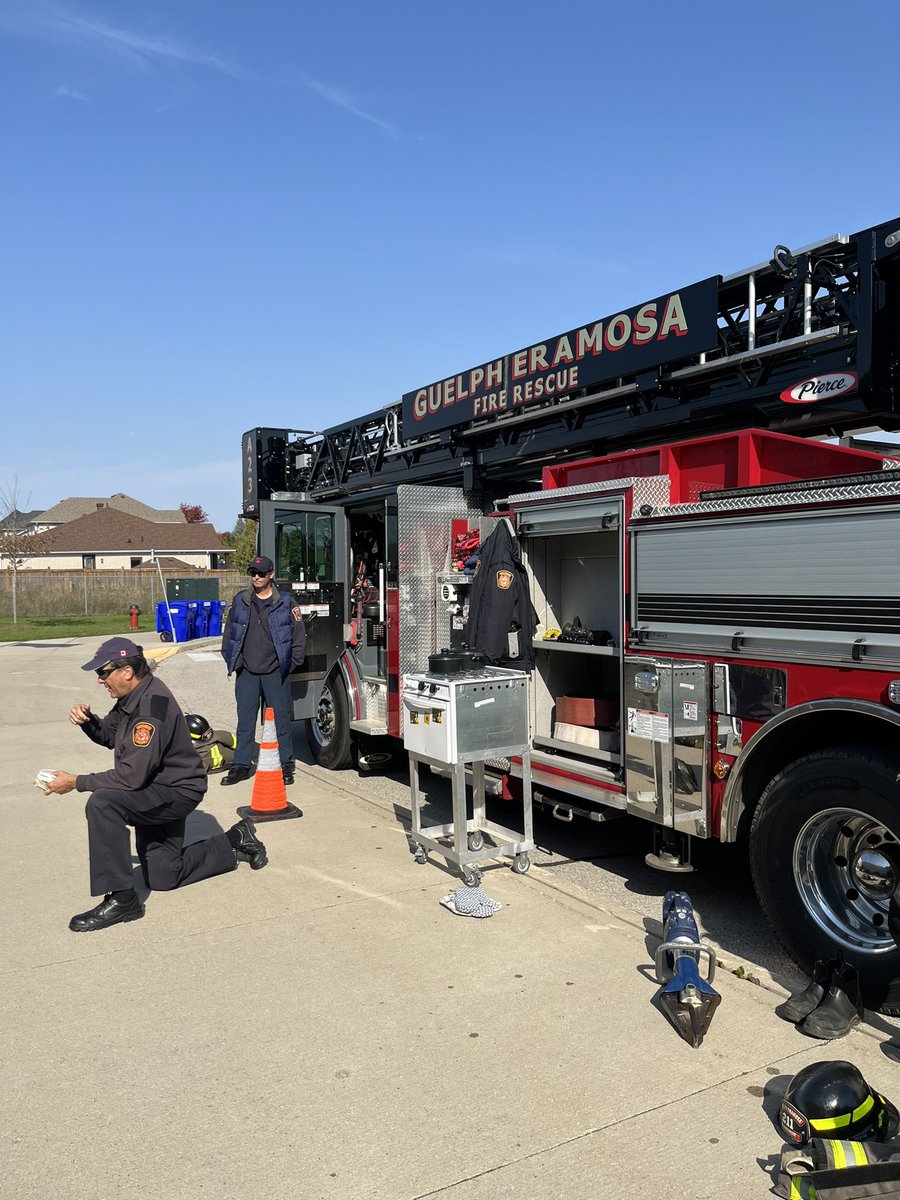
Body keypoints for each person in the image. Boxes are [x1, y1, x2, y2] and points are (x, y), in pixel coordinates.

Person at [45, 637, 268, 933]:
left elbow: (129, 777)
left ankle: (123, 900)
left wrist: (76, 782)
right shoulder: (133, 695)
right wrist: (89, 722)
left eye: (103, 672)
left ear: (126, 671)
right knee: (164, 876)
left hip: (174, 792)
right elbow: (110, 735)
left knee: (103, 802)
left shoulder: (151, 707)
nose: (100, 680)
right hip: (154, 790)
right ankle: (235, 840)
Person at [220, 555, 306, 787]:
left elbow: (299, 637)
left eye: (261, 573)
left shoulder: (286, 602)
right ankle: (240, 766)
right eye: (253, 573)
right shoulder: (241, 600)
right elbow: (230, 633)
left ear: (271, 575)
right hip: (247, 672)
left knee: (281, 720)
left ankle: (286, 765)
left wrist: (290, 664)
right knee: (245, 721)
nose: (256, 577)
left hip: (275, 672)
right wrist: (231, 659)